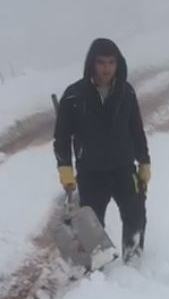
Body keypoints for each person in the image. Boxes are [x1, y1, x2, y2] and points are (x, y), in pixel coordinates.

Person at [53, 38, 151, 261]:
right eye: (101, 62)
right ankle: (96, 268)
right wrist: (65, 168)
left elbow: (137, 130)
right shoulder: (74, 95)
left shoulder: (126, 93)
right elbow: (61, 138)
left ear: (118, 64)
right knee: (91, 224)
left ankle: (133, 257)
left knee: (135, 215)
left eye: (111, 62)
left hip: (123, 169)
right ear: (91, 64)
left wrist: (144, 161)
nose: (106, 68)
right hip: (91, 172)